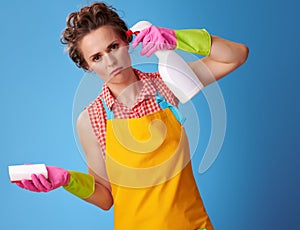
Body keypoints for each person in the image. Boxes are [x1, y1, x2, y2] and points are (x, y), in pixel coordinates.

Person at [15, 2, 248, 230]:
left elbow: (235, 55)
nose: (110, 62)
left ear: (127, 41)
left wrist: (175, 38)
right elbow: (105, 198)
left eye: (113, 47)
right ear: (87, 66)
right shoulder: (90, 120)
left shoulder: (168, 83)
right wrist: (66, 179)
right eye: (96, 57)